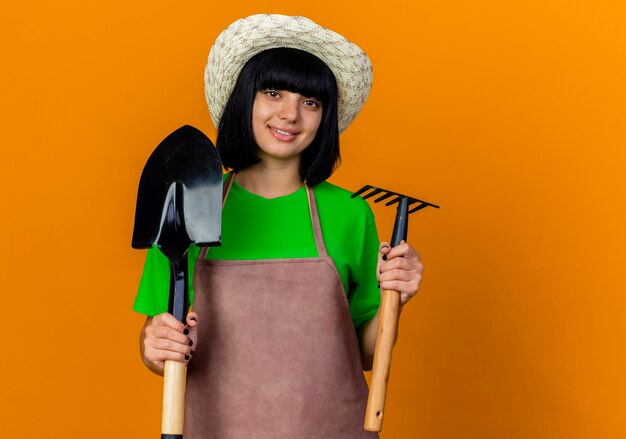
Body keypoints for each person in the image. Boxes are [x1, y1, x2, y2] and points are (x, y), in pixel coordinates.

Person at [134, 14, 424, 439]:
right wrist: (155, 347)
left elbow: (365, 353)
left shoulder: (350, 213)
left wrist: (398, 294)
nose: (290, 115)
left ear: (324, 117)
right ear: (243, 99)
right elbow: (155, 343)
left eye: (311, 102)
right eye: (273, 93)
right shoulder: (187, 206)